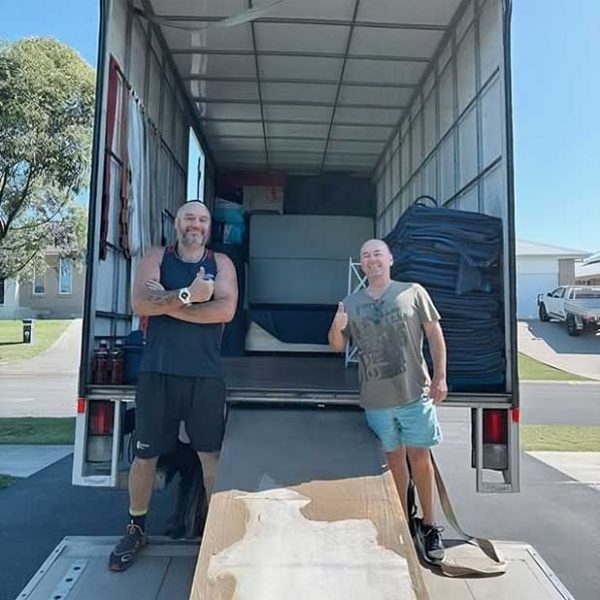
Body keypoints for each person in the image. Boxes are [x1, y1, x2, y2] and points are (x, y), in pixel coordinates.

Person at [109, 200, 238, 571]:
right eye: (188, 218)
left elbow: (224, 310)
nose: (195, 224)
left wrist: (167, 301)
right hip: (157, 373)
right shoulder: (155, 256)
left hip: (205, 375)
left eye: (201, 219)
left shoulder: (221, 264)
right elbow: (139, 302)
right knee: (144, 456)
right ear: (177, 223)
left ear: (208, 226)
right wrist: (188, 295)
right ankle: (136, 528)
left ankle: (216, 534)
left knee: (210, 457)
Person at [328, 238, 447, 563]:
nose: (371, 259)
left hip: (413, 393)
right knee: (394, 461)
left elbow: (435, 334)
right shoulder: (350, 302)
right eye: (365, 255)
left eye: (377, 253)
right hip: (377, 398)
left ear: (390, 259)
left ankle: (430, 524)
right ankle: (402, 519)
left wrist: (440, 377)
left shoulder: (413, 291)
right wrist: (337, 327)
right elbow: (337, 346)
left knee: (420, 460)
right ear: (361, 264)